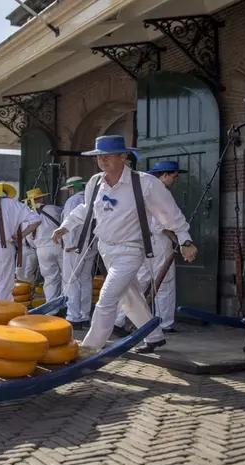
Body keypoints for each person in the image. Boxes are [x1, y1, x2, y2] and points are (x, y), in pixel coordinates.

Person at [52, 136, 197, 353]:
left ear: (123, 157)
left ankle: (90, 347)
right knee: (131, 299)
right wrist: (65, 226)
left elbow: (171, 214)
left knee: (107, 297)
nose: (102, 161)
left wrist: (185, 240)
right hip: (105, 248)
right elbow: (85, 208)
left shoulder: (145, 183)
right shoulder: (95, 182)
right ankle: (155, 337)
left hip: (130, 250)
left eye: (107, 156)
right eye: (99, 156)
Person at [114, 161, 185, 334]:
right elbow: (159, 224)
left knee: (138, 283)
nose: (174, 180)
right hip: (158, 243)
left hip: (142, 242)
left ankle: (118, 319)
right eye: (174, 176)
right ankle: (164, 323)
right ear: (165, 175)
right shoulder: (159, 192)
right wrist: (177, 239)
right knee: (165, 283)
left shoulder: (139, 190)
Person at [60, 176, 97, 329]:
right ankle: (85, 315)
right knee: (86, 281)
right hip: (91, 246)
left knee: (72, 281)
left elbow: (70, 224)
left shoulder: (73, 201)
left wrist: (69, 244)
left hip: (75, 247)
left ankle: (73, 317)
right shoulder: (93, 199)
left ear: (71, 188)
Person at [24, 188, 64, 314]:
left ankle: (52, 309)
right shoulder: (54, 209)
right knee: (66, 276)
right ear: (41, 198)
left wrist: (38, 246)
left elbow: (29, 237)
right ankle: (66, 305)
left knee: (50, 279)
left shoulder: (28, 216)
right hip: (58, 245)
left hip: (41, 249)